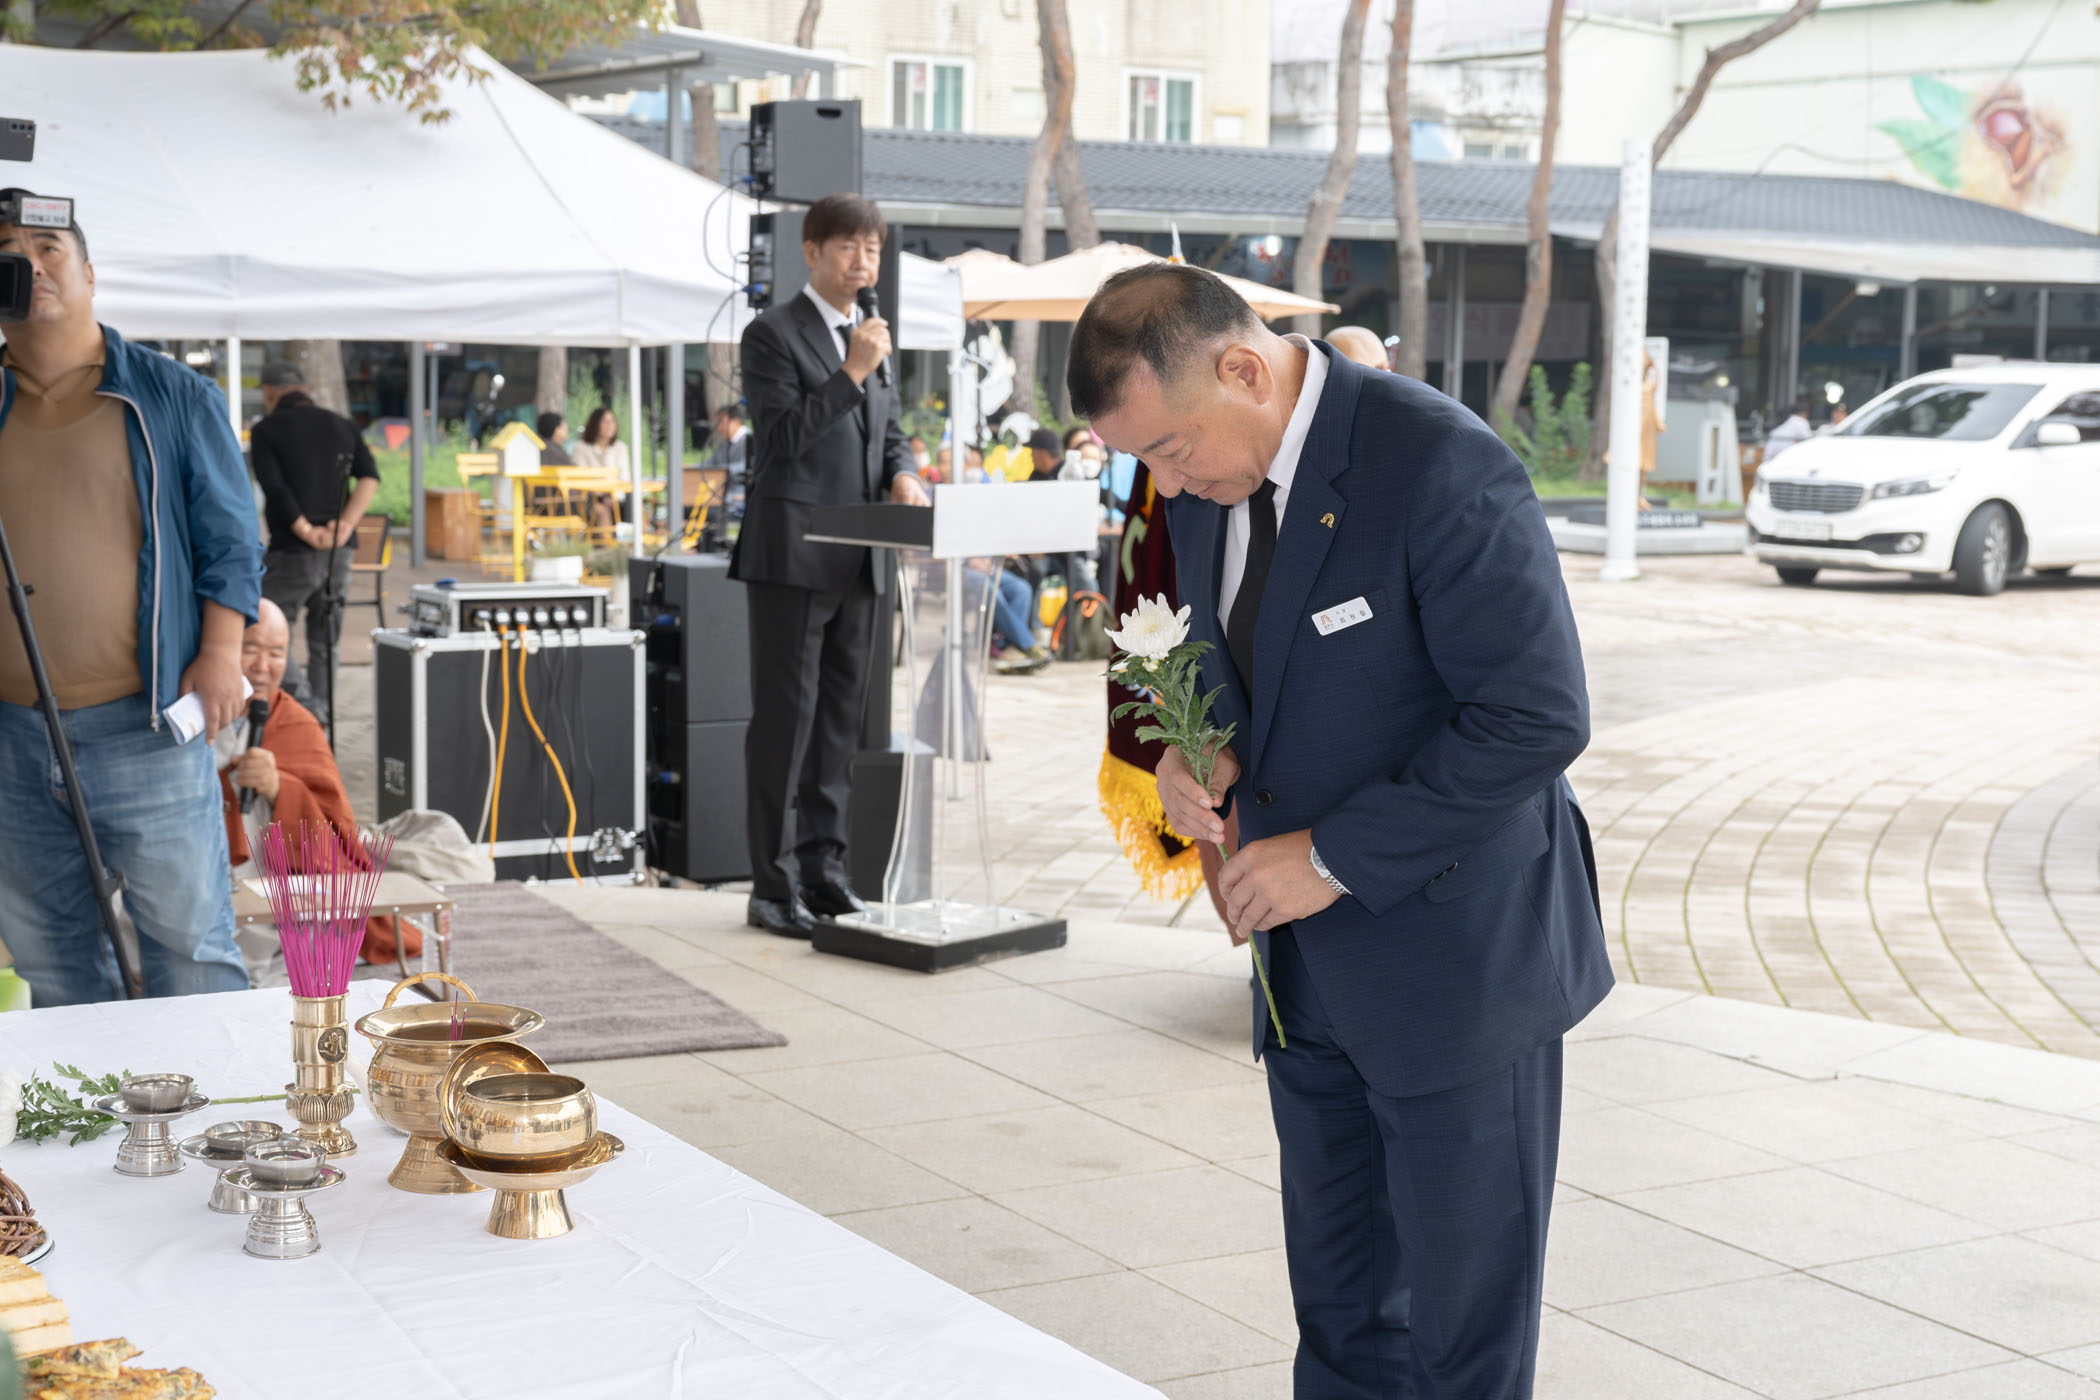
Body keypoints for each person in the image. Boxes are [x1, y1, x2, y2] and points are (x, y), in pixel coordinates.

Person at [1070, 263, 1610, 1398]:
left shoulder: (1438, 462)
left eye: (1168, 448)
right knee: (1343, 1313)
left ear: (1243, 369)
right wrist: (1192, 752)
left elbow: (1536, 715)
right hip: (1307, 979)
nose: (1164, 483)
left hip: (1457, 970)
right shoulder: (1209, 485)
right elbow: (1247, 665)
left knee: (1463, 1339)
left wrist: (1330, 856)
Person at [0, 189, 261, 1006]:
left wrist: (221, 652)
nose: (29, 265)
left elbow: (232, 538)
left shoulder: (172, 395)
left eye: (48, 248)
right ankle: (94, 1098)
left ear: (89, 273)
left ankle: (215, 1093)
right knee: (51, 964)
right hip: (9, 736)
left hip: (143, 726)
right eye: (8, 253)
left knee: (193, 951)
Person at [732, 192, 929, 938]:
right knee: (785, 724)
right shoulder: (772, 333)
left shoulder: (870, 336)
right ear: (812, 251)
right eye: (848, 247)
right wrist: (852, 371)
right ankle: (770, 884)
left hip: (861, 557)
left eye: (872, 249)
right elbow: (783, 439)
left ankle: (825, 872)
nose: (862, 261)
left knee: (839, 728)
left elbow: (890, 432)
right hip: (793, 554)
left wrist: (903, 473)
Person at [214, 600, 414, 985]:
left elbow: (338, 837)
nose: (263, 666)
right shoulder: (193, 711)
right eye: (250, 649)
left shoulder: (296, 724)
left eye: (276, 653)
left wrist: (280, 790)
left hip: (273, 888)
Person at [248, 359, 380, 725]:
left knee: (268, 630)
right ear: (305, 389)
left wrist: (307, 531)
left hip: (292, 551)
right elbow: (369, 477)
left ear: (269, 392)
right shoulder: (342, 425)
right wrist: (344, 526)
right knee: (326, 641)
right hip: (340, 553)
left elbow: (275, 489)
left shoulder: (267, 429)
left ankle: (307, 712)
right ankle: (321, 720)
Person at [573, 407, 631, 532]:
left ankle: (633, 541)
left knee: (634, 506)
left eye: (612, 421)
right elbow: (582, 478)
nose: (609, 425)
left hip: (616, 496)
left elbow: (624, 477)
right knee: (602, 510)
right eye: (605, 421)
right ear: (595, 424)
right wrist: (603, 494)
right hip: (590, 498)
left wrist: (612, 495)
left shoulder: (620, 447)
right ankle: (609, 543)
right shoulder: (581, 448)